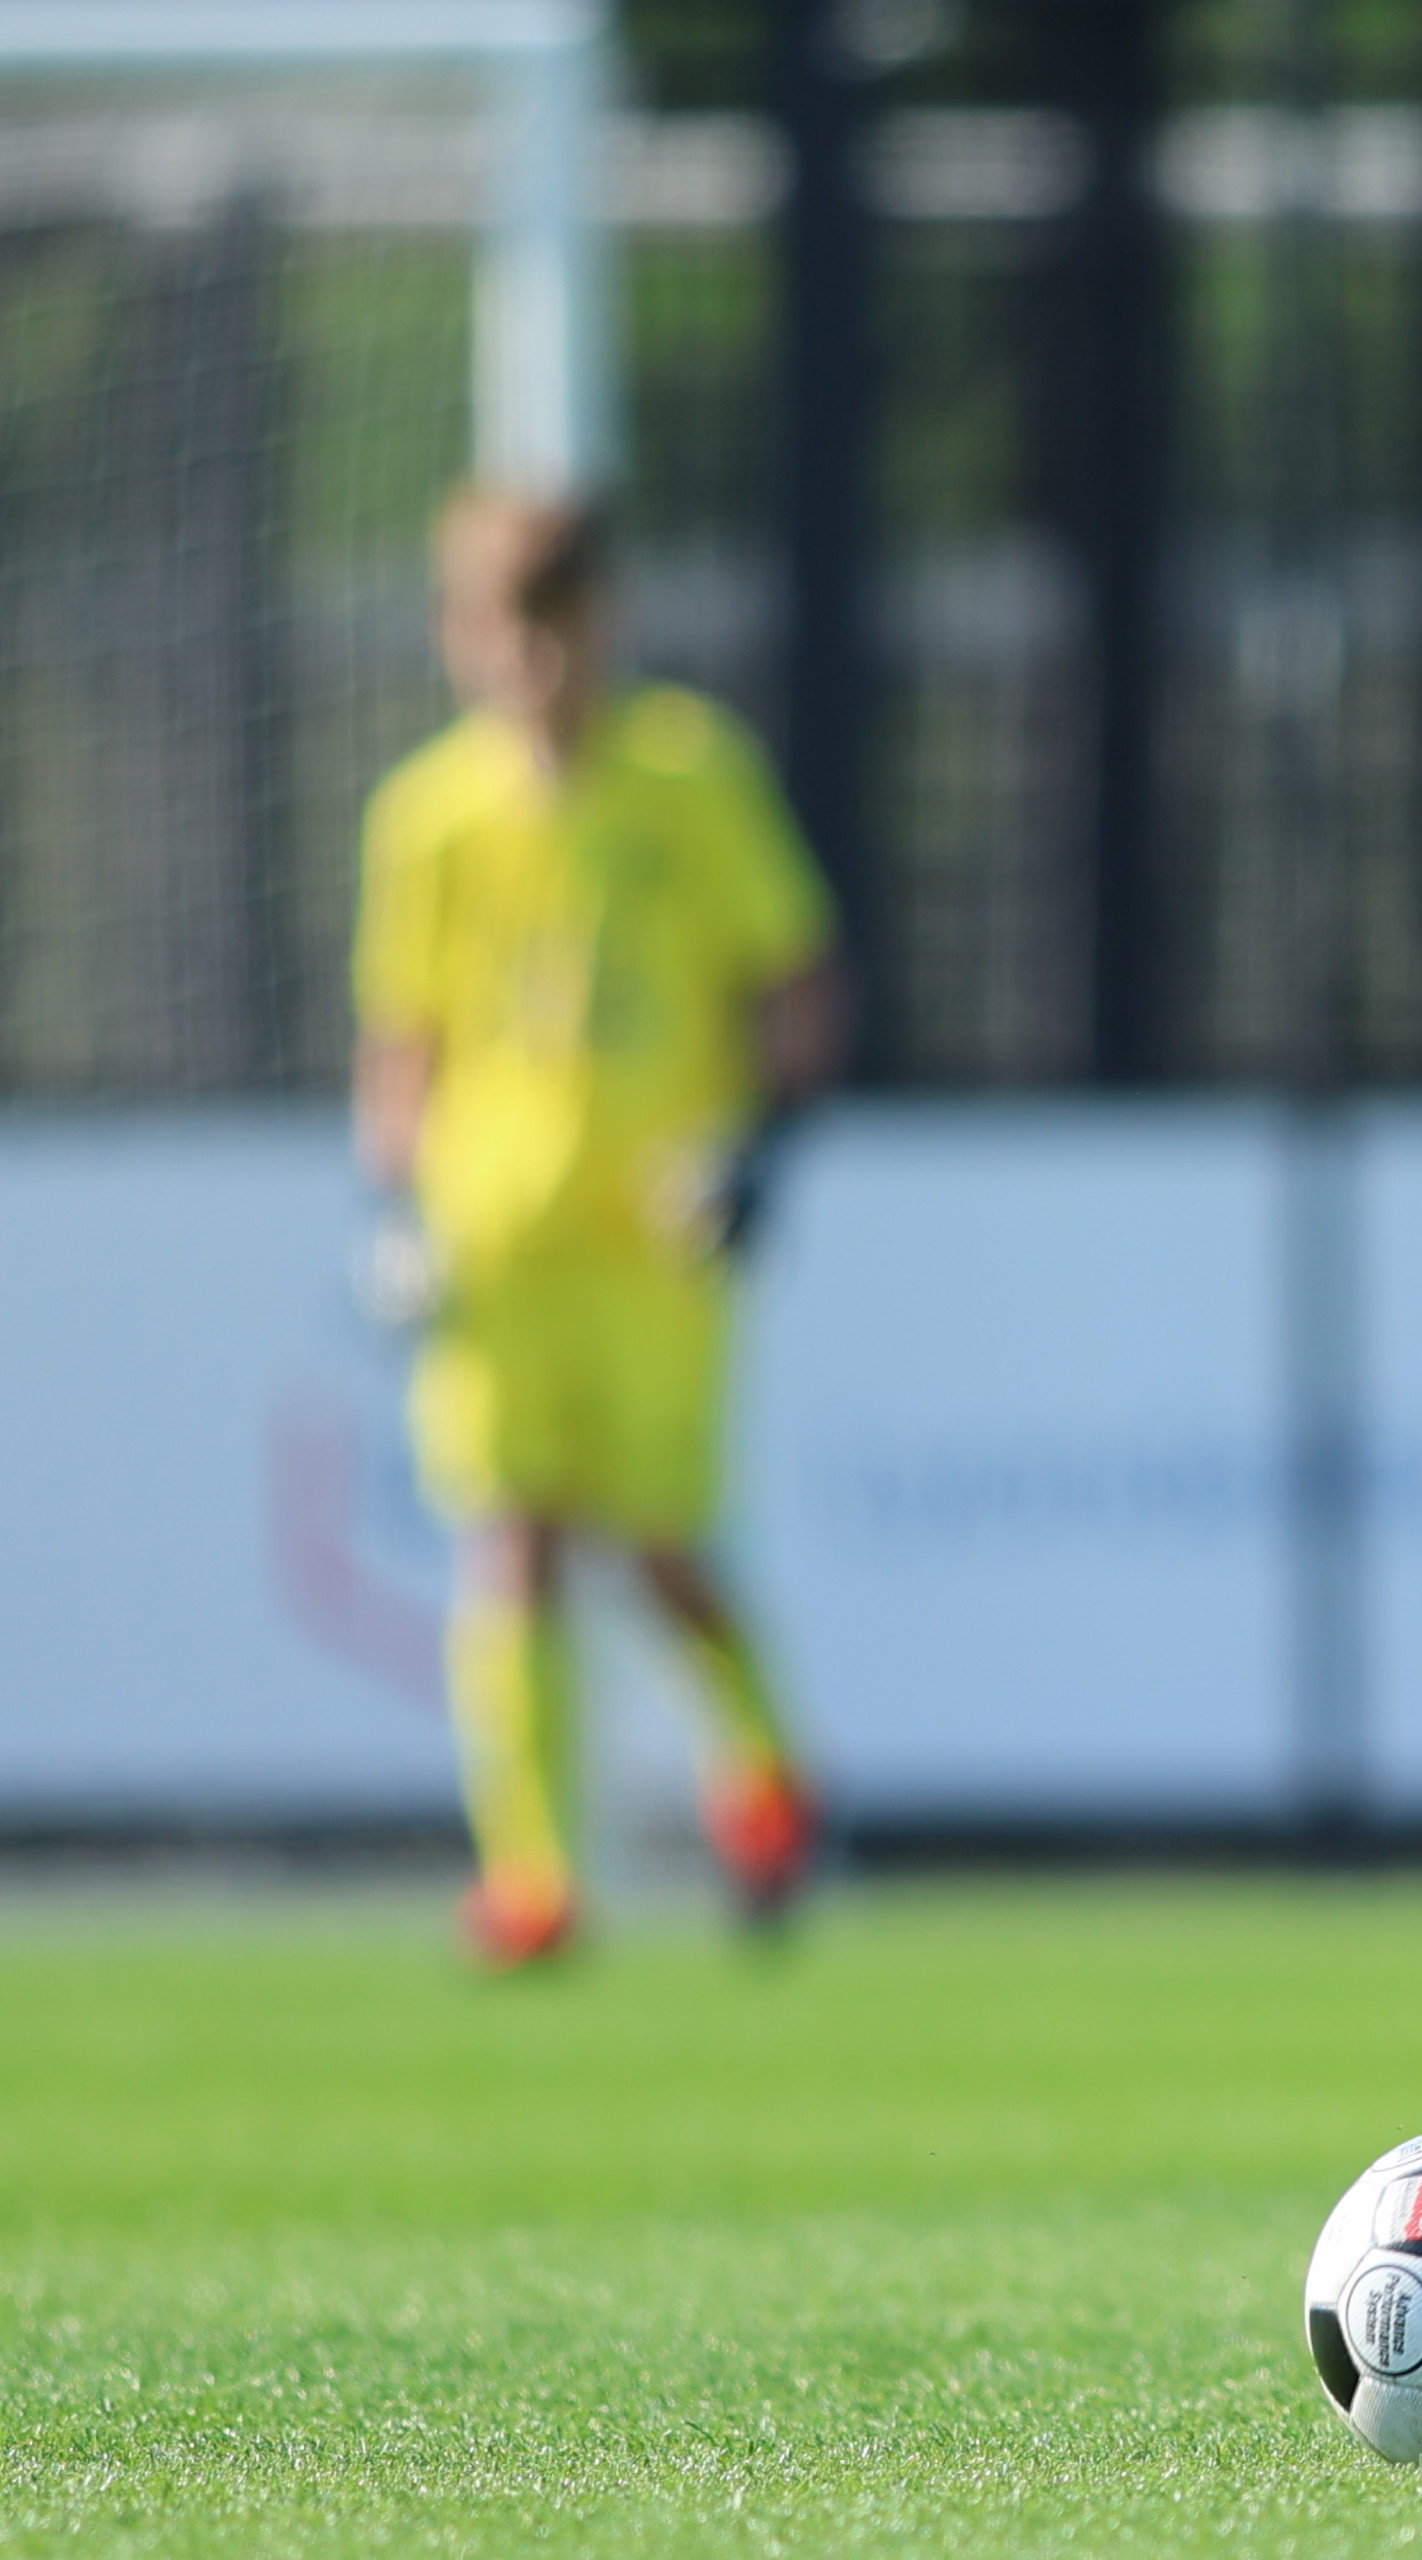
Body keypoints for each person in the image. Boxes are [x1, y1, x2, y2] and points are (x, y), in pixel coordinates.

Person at [352, 487, 841, 1970]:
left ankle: (764, 1781)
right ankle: (533, 1879)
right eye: (506, 635)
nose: (536, 669)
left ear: (602, 626)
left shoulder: (692, 777)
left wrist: (758, 1156)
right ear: (460, 639)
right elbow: (405, 1038)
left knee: (661, 1547)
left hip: (651, 1236)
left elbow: (798, 988)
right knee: (508, 1542)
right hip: (495, 1243)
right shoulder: (426, 816)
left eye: (558, 633)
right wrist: (394, 1207)